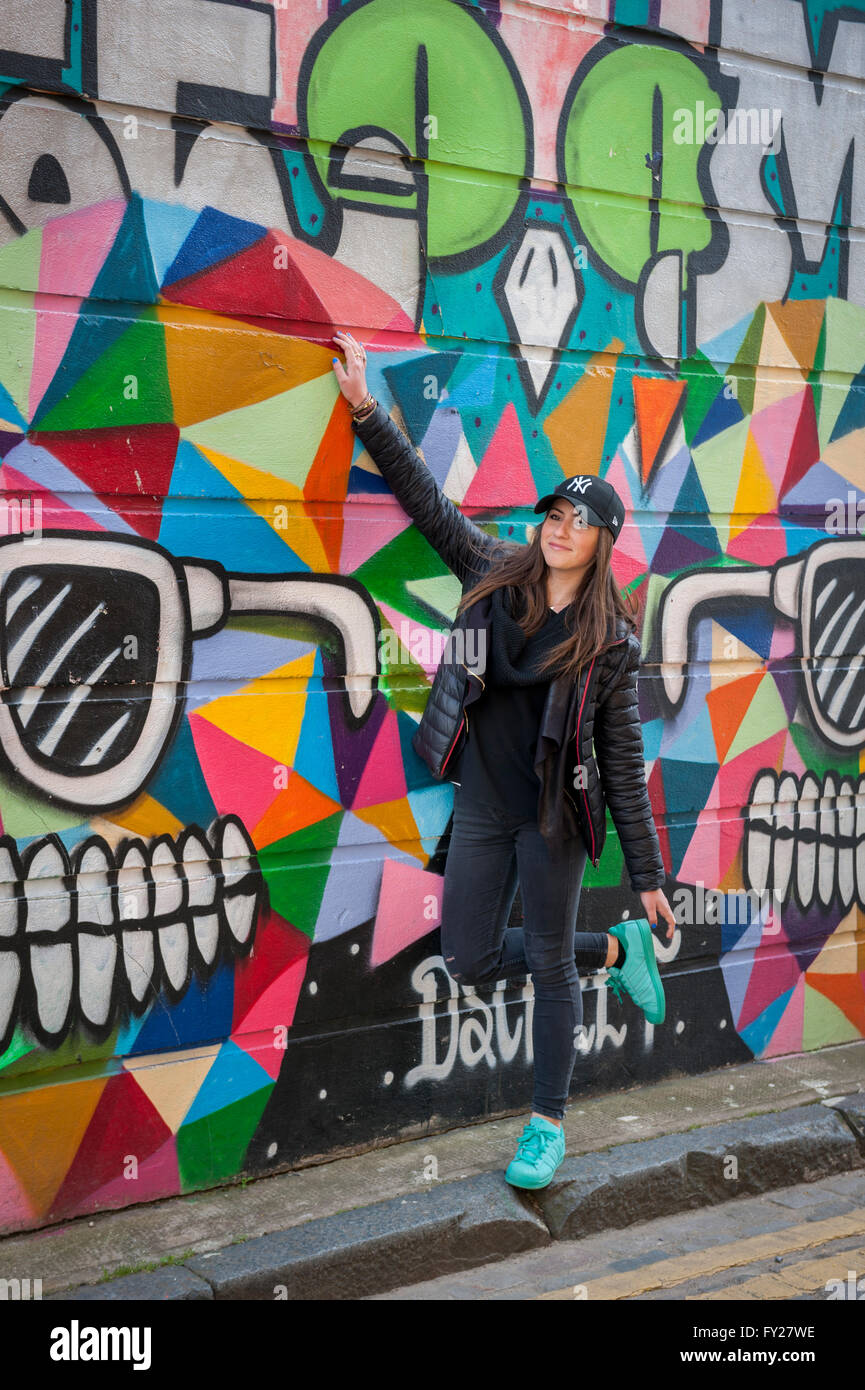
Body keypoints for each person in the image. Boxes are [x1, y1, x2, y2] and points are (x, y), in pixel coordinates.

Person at [331, 329, 676, 1190]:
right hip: (482, 806)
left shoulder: (611, 642)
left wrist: (647, 873)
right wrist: (366, 409)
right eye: (555, 514)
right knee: (470, 958)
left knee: (546, 969)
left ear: (601, 542)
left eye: (580, 521)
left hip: (554, 820)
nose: (561, 529)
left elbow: (623, 766)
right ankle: (612, 950)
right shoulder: (493, 571)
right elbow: (429, 506)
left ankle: (545, 1127)